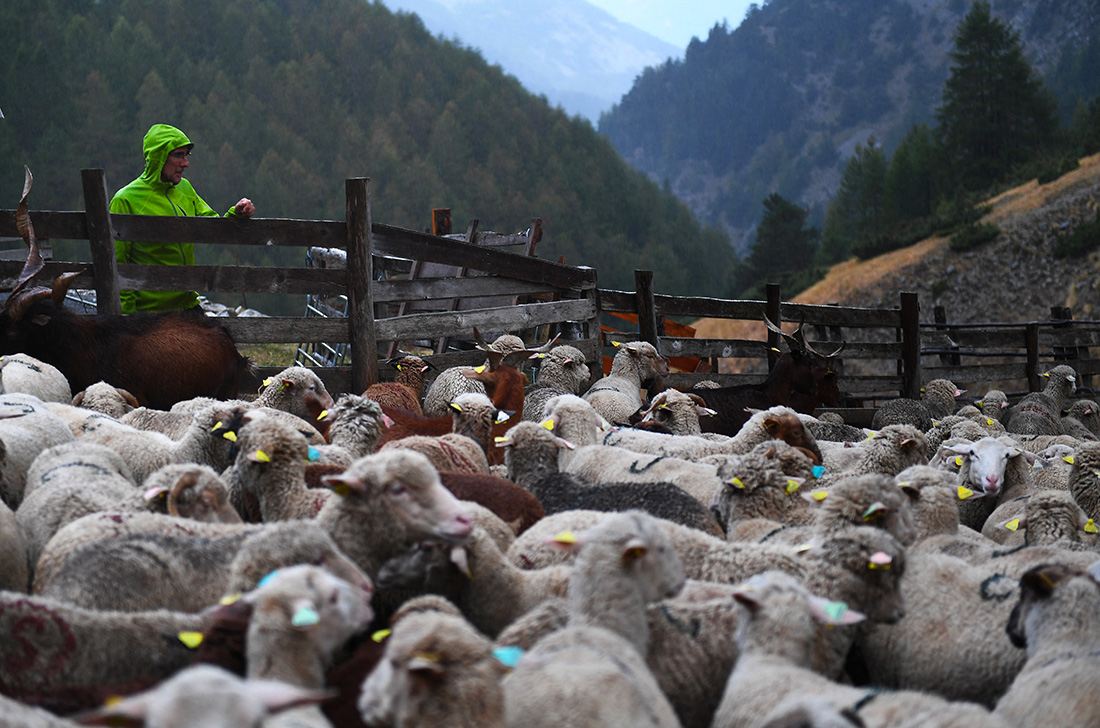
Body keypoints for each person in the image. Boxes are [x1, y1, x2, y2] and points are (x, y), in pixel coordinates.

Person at [111, 123, 255, 314]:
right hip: (150, 313)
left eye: (186, 156)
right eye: (178, 155)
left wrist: (237, 213)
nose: (185, 163)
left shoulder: (185, 188)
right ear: (158, 156)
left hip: (188, 306)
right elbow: (118, 264)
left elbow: (212, 226)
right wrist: (127, 318)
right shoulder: (125, 199)